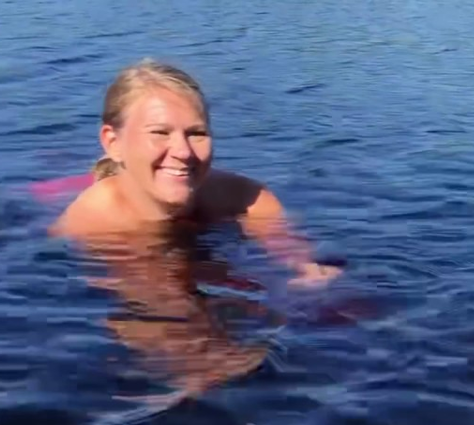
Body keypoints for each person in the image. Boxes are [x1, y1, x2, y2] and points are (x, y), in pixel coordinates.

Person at [50, 58, 342, 399]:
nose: (183, 152)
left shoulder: (239, 195)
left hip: (196, 250)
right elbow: (156, 301)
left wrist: (304, 268)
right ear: (113, 142)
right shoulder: (97, 221)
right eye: (160, 133)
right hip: (133, 257)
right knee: (208, 366)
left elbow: (289, 247)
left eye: (197, 133)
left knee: (340, 305)